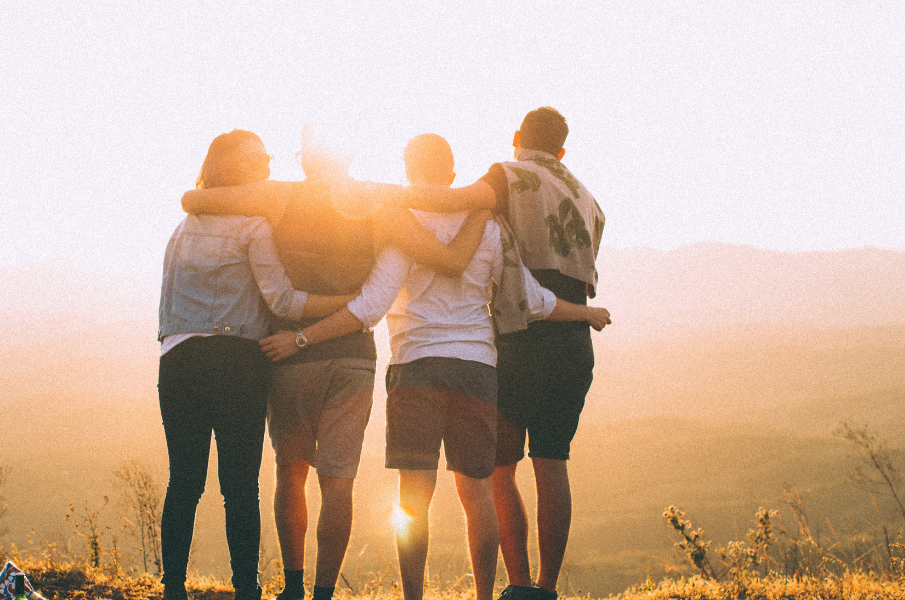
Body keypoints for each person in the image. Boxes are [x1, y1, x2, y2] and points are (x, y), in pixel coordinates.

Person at [260, 134, 610, 600]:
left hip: (415, 368)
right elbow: (533, 300)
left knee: (414, 498)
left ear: (408, 171)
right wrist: (585, 312)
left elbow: (369, 308)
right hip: (477, 370)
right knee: (477, 494)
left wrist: (303, 336)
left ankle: (413, 598)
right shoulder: (487, 225)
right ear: (450, 174)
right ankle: (484, 596)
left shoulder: (403, 228)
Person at [181, 123, 489, 600]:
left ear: (305, 159)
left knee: (291, 472)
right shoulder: (379, 204)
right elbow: (445, 251)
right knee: (338, 482)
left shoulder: (278, 197)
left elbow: (195, 202)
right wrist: (483, 199)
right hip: (353, 358)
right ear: (348, 156)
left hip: (288, 356)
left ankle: (295, 587)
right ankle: (325, 590)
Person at [391, 109, 606, 600]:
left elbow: (450, 200)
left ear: (516, 139)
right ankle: (546, 589)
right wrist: (582, 313)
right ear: (562, 150)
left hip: (518, 335)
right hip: (572, 336)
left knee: (500, 470)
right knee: (553, 462)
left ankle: (519, 585)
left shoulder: (508, 175)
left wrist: (379, 196)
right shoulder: (588, 197)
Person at [156, 130, 357, 600]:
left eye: (266, 158)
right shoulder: (253, 227)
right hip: (236, 361)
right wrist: (349, 302)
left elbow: (166, 304)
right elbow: (283, 300)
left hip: (178, 360)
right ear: (229, 168)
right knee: (239, 485)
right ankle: (246, 588)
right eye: (255, 160)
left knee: (184, 480)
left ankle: (172, 589)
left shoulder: (182, 227)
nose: (266, 167)